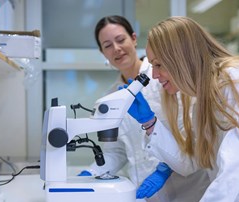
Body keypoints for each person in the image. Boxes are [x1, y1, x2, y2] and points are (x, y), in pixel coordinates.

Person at [125, 16, 239, 201]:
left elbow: (238, 164)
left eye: (159, 64)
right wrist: (149, 123)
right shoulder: (203, 100)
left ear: (181, 57)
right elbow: (191, 161)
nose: (154, 75)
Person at [78, 15, 210, 201]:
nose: (116, 48)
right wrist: (89, 174)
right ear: (103, 53)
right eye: (107, 45)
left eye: (120, 40)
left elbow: (190, 134)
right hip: (143, 192)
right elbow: (116, 151)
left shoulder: (166, 78)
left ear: (133, 38)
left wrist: (164, 170)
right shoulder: (110, 99)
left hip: (187, 190)